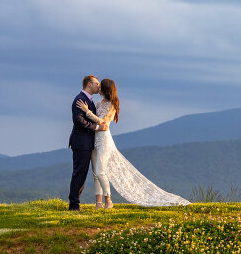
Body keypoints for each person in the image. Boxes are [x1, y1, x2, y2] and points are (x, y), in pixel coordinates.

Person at [75, 78, 190, 207]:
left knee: (101, 171)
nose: (98, 88)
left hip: (104, 140)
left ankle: (108, 200)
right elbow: (97, 123)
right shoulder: (99, 104)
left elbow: (102, 122)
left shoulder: (112, 104)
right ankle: (98, 203)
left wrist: (87, 111)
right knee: (96, 173)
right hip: (94, 139)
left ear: (106, 89)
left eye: (100, 86)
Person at [68, 75, 108, 211]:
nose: (99, 86)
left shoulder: (90, 101)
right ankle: (74, 205)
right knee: (79, 173)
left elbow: (91, 117)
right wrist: (97, 127)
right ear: (89, 84)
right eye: (97, 84)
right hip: (81, 143)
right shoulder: (80, 99)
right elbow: (78, 120)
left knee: (86, 173)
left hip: (89, 143)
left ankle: (75, 204)